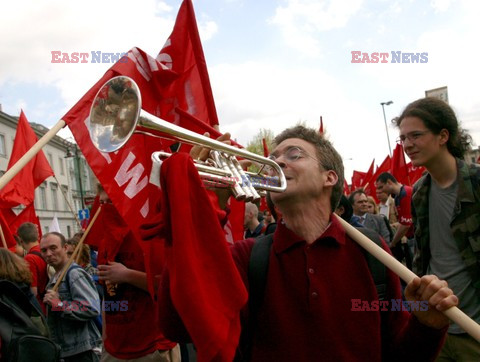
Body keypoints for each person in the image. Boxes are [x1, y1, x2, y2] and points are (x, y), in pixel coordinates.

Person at [162, 125, 458, 361]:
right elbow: (177, 325)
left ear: (329, 177)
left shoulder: (372, 250)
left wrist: (427, 326)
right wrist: (198, 208)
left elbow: (398, 353)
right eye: (275, 157)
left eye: (294, 154)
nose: (276, 162)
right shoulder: (246, 255)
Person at [395, 97, 480, 360]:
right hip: (437, 329)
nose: (408, 145)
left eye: (416, 135)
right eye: (403, 138)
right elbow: (424, 256)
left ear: (443, 135)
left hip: (474, 331)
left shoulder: (477, 183)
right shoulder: (419, 191)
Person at [96, 186, 179, 362]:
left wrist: (127, 275)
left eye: (109, 202)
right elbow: (107, 297)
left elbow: (169, 284)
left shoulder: (148, 234)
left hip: (151, 348)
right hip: (114, 350)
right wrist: (106, 339)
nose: (104, 208)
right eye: (101, 203)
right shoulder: (105, 243)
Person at [41, 232, 101, 362]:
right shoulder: (56, 275)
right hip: (66, 350)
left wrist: (59, 305)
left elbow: (91, 308)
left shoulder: (74, 274)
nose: (48, 254)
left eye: (53, 248)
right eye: (44, 250)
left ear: (65, 248)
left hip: (81, 351)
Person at [375, 172, 414, 270]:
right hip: (411, 238)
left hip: (415, 237)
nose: (379, 191)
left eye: (381, 187)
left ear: (389, 182)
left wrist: (393, 242)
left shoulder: (406, 193)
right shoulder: (397, 197)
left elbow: (405, 224)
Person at [17, 222, 49, 313]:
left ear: (20, 240)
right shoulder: (45, 250)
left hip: (40, 307)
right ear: (37, 236)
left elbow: (33, 292)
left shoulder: (29, 258)